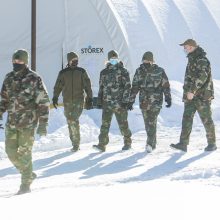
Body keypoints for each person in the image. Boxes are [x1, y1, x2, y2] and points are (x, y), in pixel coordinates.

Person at [0, 49, 50, 194]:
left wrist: (43, 123)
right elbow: (4, 99)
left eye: (20, 61)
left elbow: (43, 102)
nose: (16, 63)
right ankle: (28, 173)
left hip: (28, 123)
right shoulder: (8, 78)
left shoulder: (34, 78)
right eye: (15, 61)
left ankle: (25, 184)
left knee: (24, 153)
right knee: (10, 152)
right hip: (12, 123)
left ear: (25, 61)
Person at [171, 39, 217, 152]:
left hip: (201, 96)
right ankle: (183, 144)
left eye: (185, 47)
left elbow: (202, 76)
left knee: (206, 119)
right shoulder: (192, 59)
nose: (184, 49)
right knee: (186, 119)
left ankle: (212, 143)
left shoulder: (201, 59)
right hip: (191, 96)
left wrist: (192, 91)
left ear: (191, 47)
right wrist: (187, 92)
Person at [129, 52, 171, 152]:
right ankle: (153, 143)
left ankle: (149, 144)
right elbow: (135, 87)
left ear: (152, 61)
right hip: (144, 101)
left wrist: (168, 98)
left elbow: (165, 86)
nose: (145, 62)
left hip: (156, 101)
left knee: (151, 122)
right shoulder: (139, 71)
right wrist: (131, 100)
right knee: (148, 124)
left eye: (147, 61)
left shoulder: (160, 71)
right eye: (144, 60)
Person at [52, 52, 93, 152]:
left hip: (79, 100)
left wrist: (89, 98)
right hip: (67, 101)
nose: (75, 62)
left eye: (76, 60)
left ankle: (76, 144)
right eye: (73, 60)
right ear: (69, 61)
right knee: (70, 121)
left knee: (73, 119)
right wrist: (55, 97)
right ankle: (74, 142)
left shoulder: (81, 72)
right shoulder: (63, 73)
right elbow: (58, 86)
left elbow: (87, 86)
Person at [93, 50, 132, 152]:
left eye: (115, 58)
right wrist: (99, 101)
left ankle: (127, 142)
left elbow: (128, 87)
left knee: (123, 124)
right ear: (108, 59)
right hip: (107, 103)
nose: (113, 60)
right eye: (111, 58)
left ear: (118, 58)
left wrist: (125, 101)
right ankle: (102, 144)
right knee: (104, 124)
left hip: (120, 103)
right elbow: (101, 87)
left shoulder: (124, 71)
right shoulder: (104, 72)